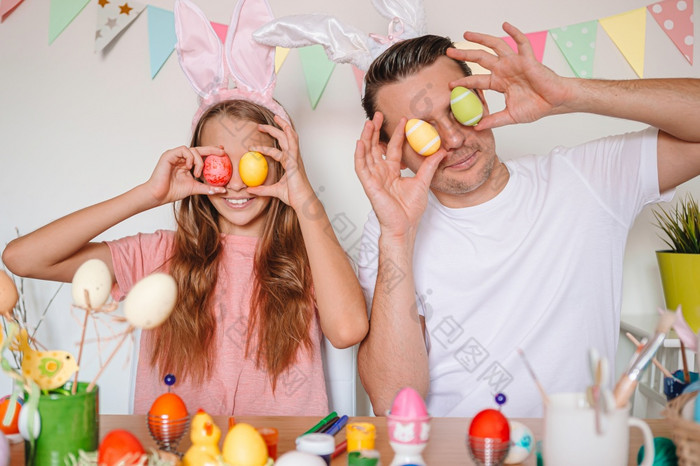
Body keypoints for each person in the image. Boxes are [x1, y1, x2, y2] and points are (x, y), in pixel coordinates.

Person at [354, 22, 700, 417]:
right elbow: (392, 400)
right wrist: (397, 236)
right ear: (390, 151)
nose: (452, 139)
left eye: (461, 109)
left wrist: (569, 94)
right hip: (450, 452)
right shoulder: (391, 228)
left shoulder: (587, 180)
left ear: (483, 98)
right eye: (422, 132)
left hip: (574, 449)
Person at [2, 98, 368, 415]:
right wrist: (149, 194)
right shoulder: (160, 254)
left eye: (251, 163)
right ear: (197, 166)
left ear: (279, 165)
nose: (237, 184)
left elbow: (349, 330)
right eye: (219, 164)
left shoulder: (313, 258)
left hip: (281, 453)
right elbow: (23, 259)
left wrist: (303, 196)